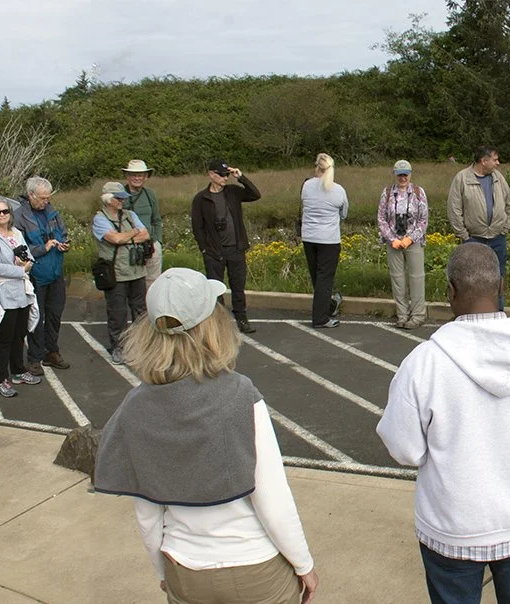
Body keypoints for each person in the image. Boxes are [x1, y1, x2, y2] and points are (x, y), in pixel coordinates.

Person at [93, 268, 319, 604]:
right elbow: (272, 498)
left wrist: (162, 572)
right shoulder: (240, 394)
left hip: (184, 568)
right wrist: (304, 563)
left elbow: (147, 513)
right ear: (211, 326)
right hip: (253, 567)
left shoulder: (135, 406)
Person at [376, 243, 510, 604]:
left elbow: (405, 449)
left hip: (452, 527)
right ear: (501, 287)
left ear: (450, 292)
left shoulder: (423, 363)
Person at [191, 159, 262, 334]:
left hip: (235, 248)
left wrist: (241, 177)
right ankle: (220, 322)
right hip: (214, 251)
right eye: (222, 175)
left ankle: (241, 319)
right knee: (216, 288)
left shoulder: (233, 192)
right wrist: (204, 248)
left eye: (226, 174)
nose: (225, 178)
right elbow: (197, 226)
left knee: (238, 286)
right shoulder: (201, 198)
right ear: (211, 175)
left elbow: (255, 195)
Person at [0, 197, 41, 398]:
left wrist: (26, 264)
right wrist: (19, 269)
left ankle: (18, 370)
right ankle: (1, 379)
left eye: (5, 211)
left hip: (22, 291)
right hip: (5, 292)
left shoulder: (17, 233)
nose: (2, 215)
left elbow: (29, 256)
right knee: (5, 338)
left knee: (19, 334)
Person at [14, 176, 72, 374]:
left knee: (55, 315)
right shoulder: (20, 216)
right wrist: (43, 248)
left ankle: (51, 351)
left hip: (55, 271)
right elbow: (19, 248)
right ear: (31, 195)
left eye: (48, 197)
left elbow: (62, 232)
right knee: (36, 317)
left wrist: (64, 244)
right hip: (36, 274)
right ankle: (35, 357)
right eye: (42, 198)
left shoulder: (52, 211)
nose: (46, 201)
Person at [447, 146, 510, 309]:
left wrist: (506, 227)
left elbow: (509, 204)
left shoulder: (498, 178)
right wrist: (464, 236)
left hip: (498, 238)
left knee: (498, 279)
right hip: (473, 239)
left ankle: (498, 313)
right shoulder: (462, 178)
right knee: (471, 281)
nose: (498, 163)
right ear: (483, 161)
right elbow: (454, 209)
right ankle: (472, 314)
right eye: (495, 159)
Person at [93, 182, 151, 364]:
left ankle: (141, 346)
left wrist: (125, 238)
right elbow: (114, 238)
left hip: (137, 270)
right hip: (115, 273)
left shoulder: (130, 215)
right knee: (117, 313)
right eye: (118, 198)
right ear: (108, 199)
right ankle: (118, 347)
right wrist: (133, 233)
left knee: (140, 311)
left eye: (123, 198)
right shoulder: (100, 219)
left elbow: (146, 235)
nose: (122, 201)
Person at [377, 159, 429, 329]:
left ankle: (418, 315)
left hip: (413, 241)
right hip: (394, 242)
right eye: (400, 174)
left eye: (405, 174)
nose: (403, 177)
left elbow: (423, 220)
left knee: (416, 278)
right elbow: (382, 219)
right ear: (394, 174)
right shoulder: (386, 193)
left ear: (410, 174)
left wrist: (410, 238)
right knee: (397, 279)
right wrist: (392, 239)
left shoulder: (418, 192)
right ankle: (402, 314)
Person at [300, 152, 349, 329]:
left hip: (309, 238)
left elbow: (303, 203)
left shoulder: (306, 186)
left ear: (316, 167)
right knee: (325, 278)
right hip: (329, 239)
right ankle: (320, 318)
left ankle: (327, 306)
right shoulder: (338, 190)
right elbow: (344, 213)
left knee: (317, 277)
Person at [123, 159, 165, 290]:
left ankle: (150, 310)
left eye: (140, 175)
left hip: (150, 245)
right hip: (127, 246)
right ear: (127, 176)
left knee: (153, 284)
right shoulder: (120, 195)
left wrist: (157, 241)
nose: (137, 178)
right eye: (133, 175)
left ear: (146, 177)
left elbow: (156, 220)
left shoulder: (149, 194)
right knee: (131, 284)